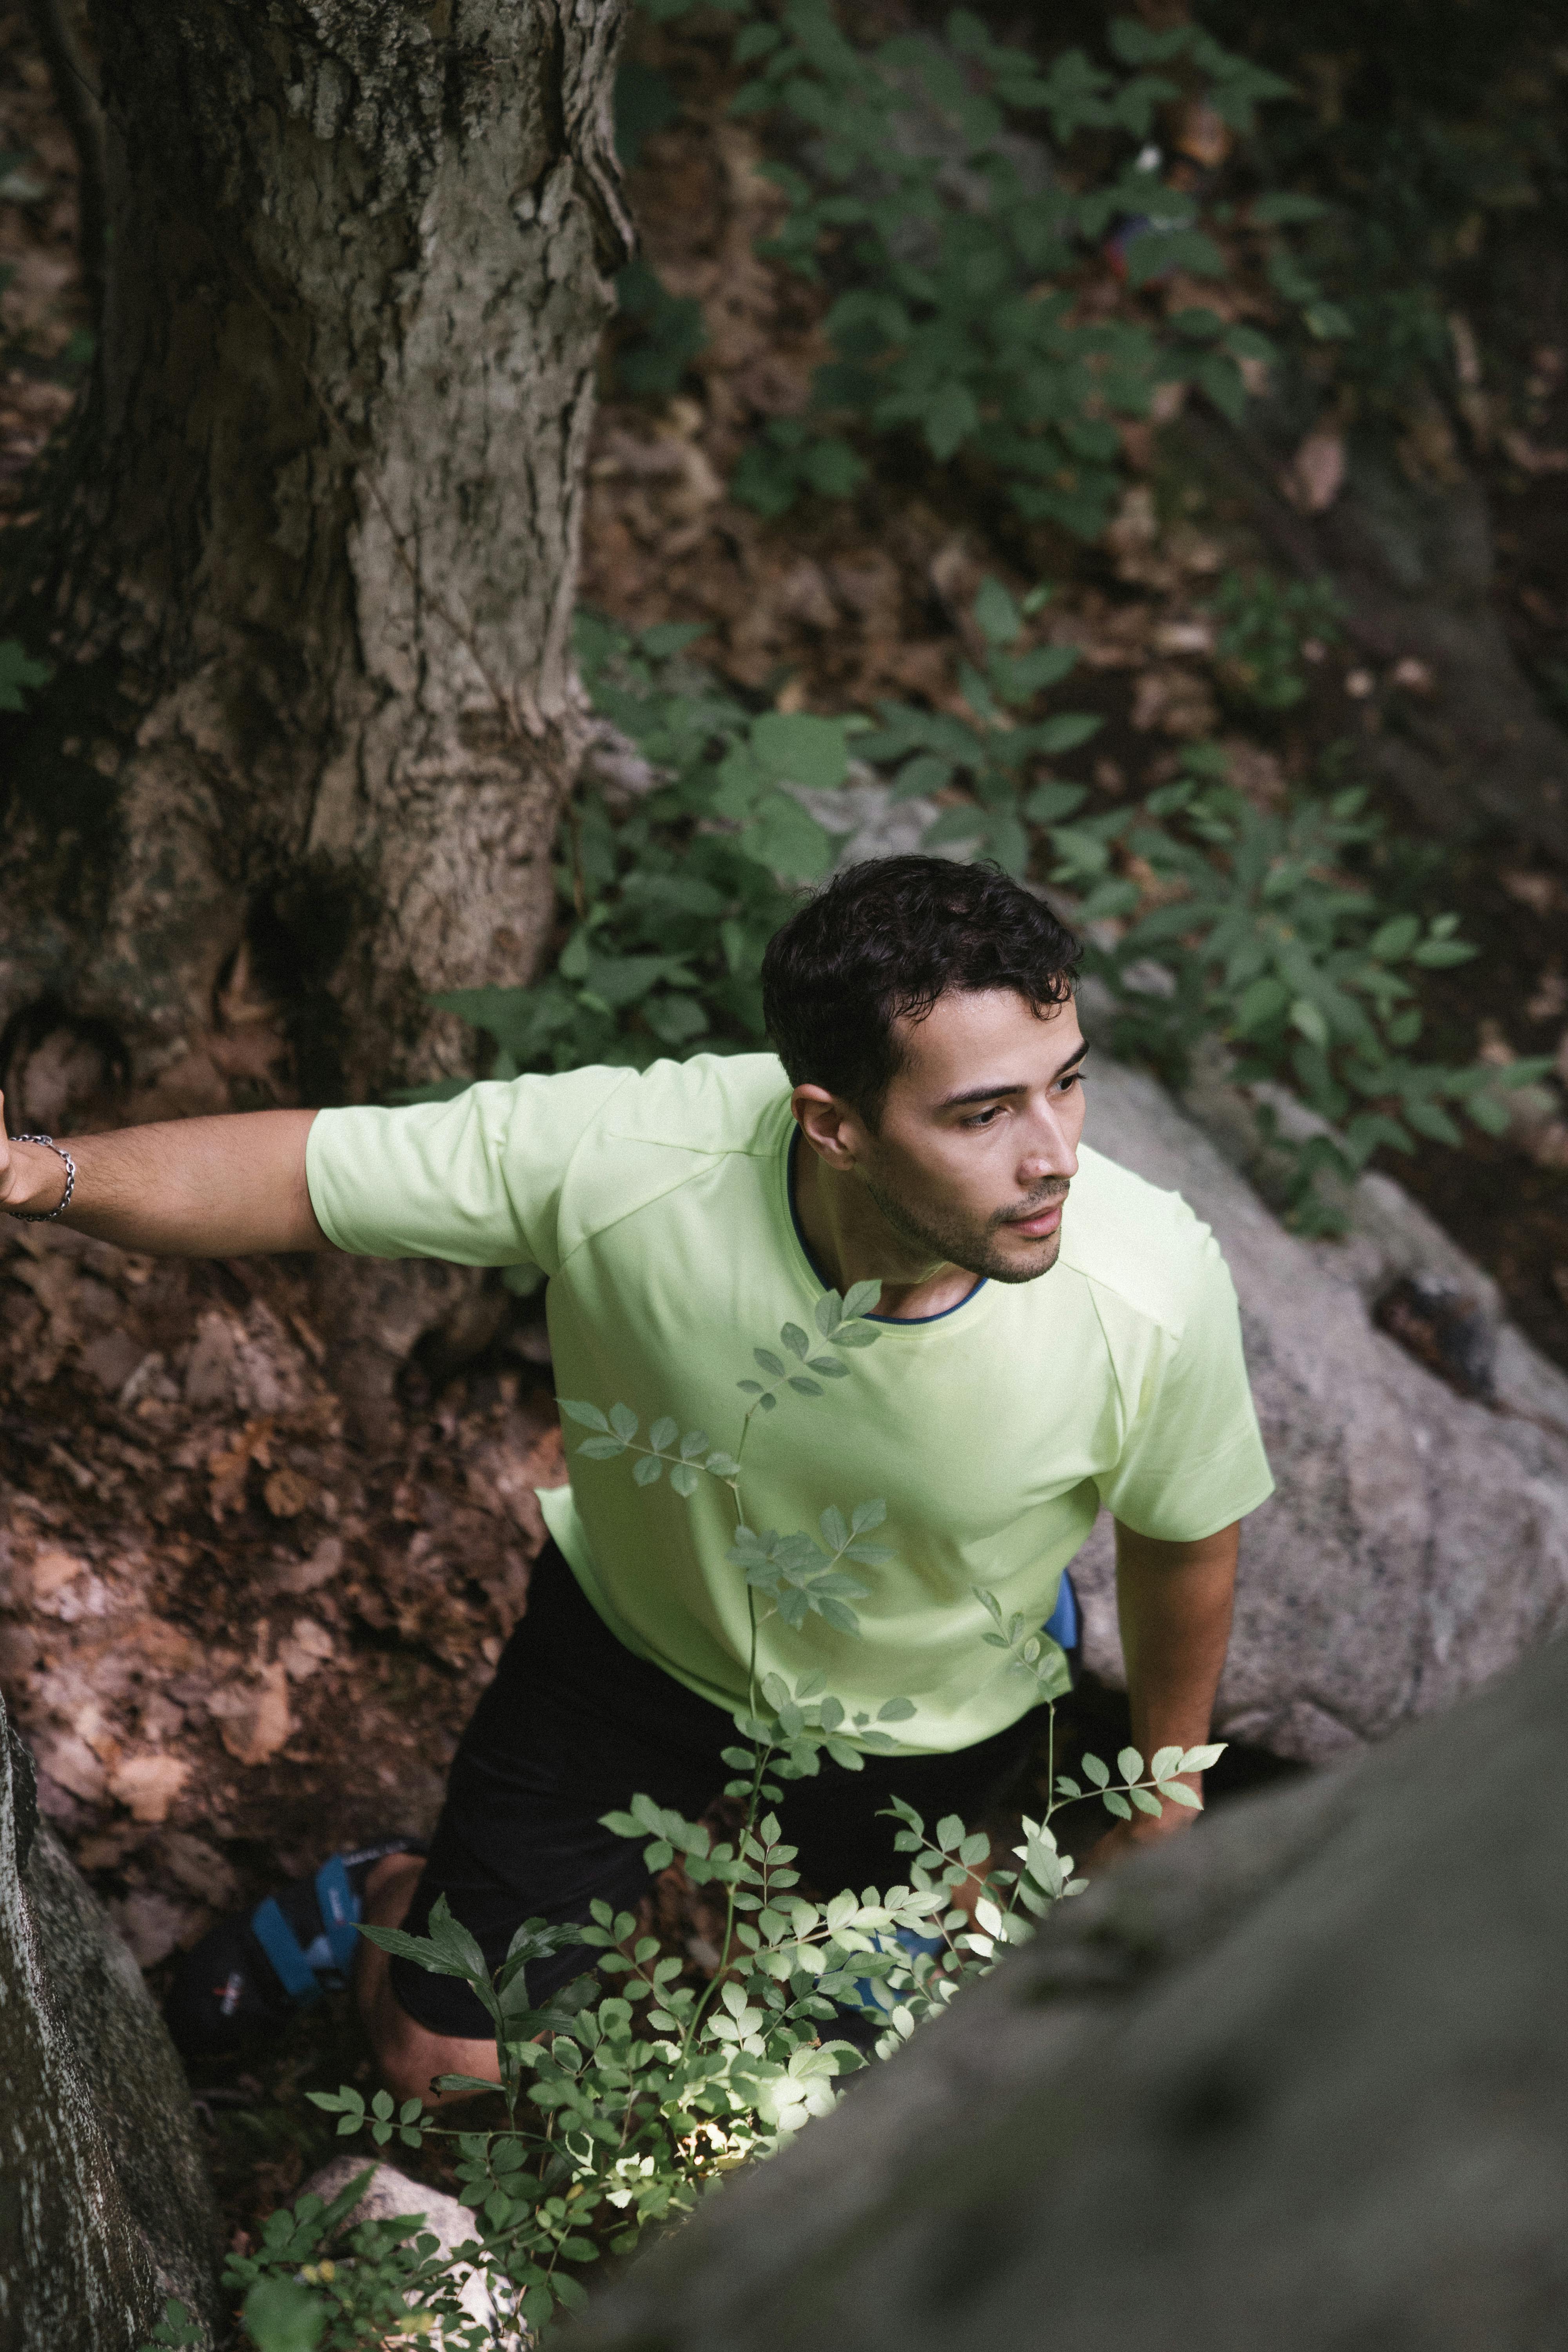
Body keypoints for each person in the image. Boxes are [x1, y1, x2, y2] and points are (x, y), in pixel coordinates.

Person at [0, 856, 1272, 2100]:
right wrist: (36, 1174)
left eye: (1069, 1087)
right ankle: (385, 1889)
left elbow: (1182, 1539)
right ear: (832, 1123)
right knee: (445, 2066)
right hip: (634, 1647)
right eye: (985, 1113)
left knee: (815, 2085)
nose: (1053, 1156)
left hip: (937, 1709)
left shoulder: (1150, 1287)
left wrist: (1166, 1789)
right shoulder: (634, 1159)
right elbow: (299, 1175)